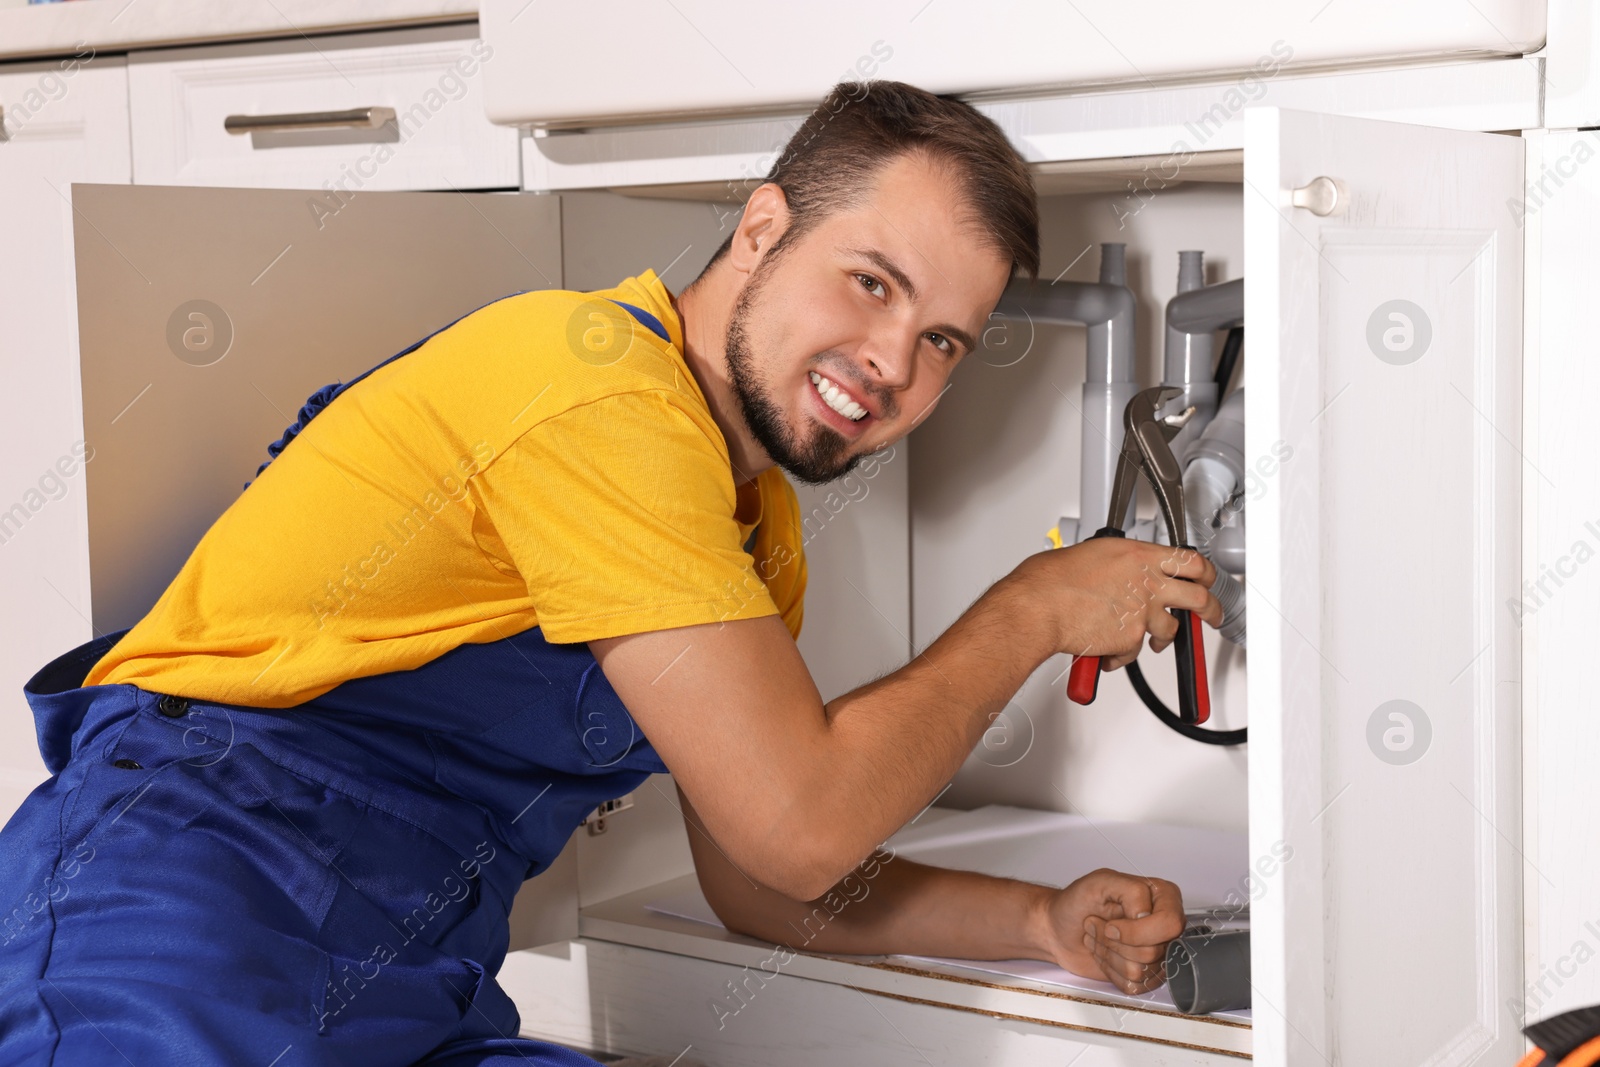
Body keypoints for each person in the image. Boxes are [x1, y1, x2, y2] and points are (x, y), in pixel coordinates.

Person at [0, 80, 1221, 1065]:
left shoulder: (747, 516)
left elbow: (763, 881)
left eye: (941, 338)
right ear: (761, 226)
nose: (893, 362)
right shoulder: (592, 386)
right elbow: (801, 826)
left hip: (407, 975)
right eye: (871, 282)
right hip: (181, 920)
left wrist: (1037, 922)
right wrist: (1026, 612)